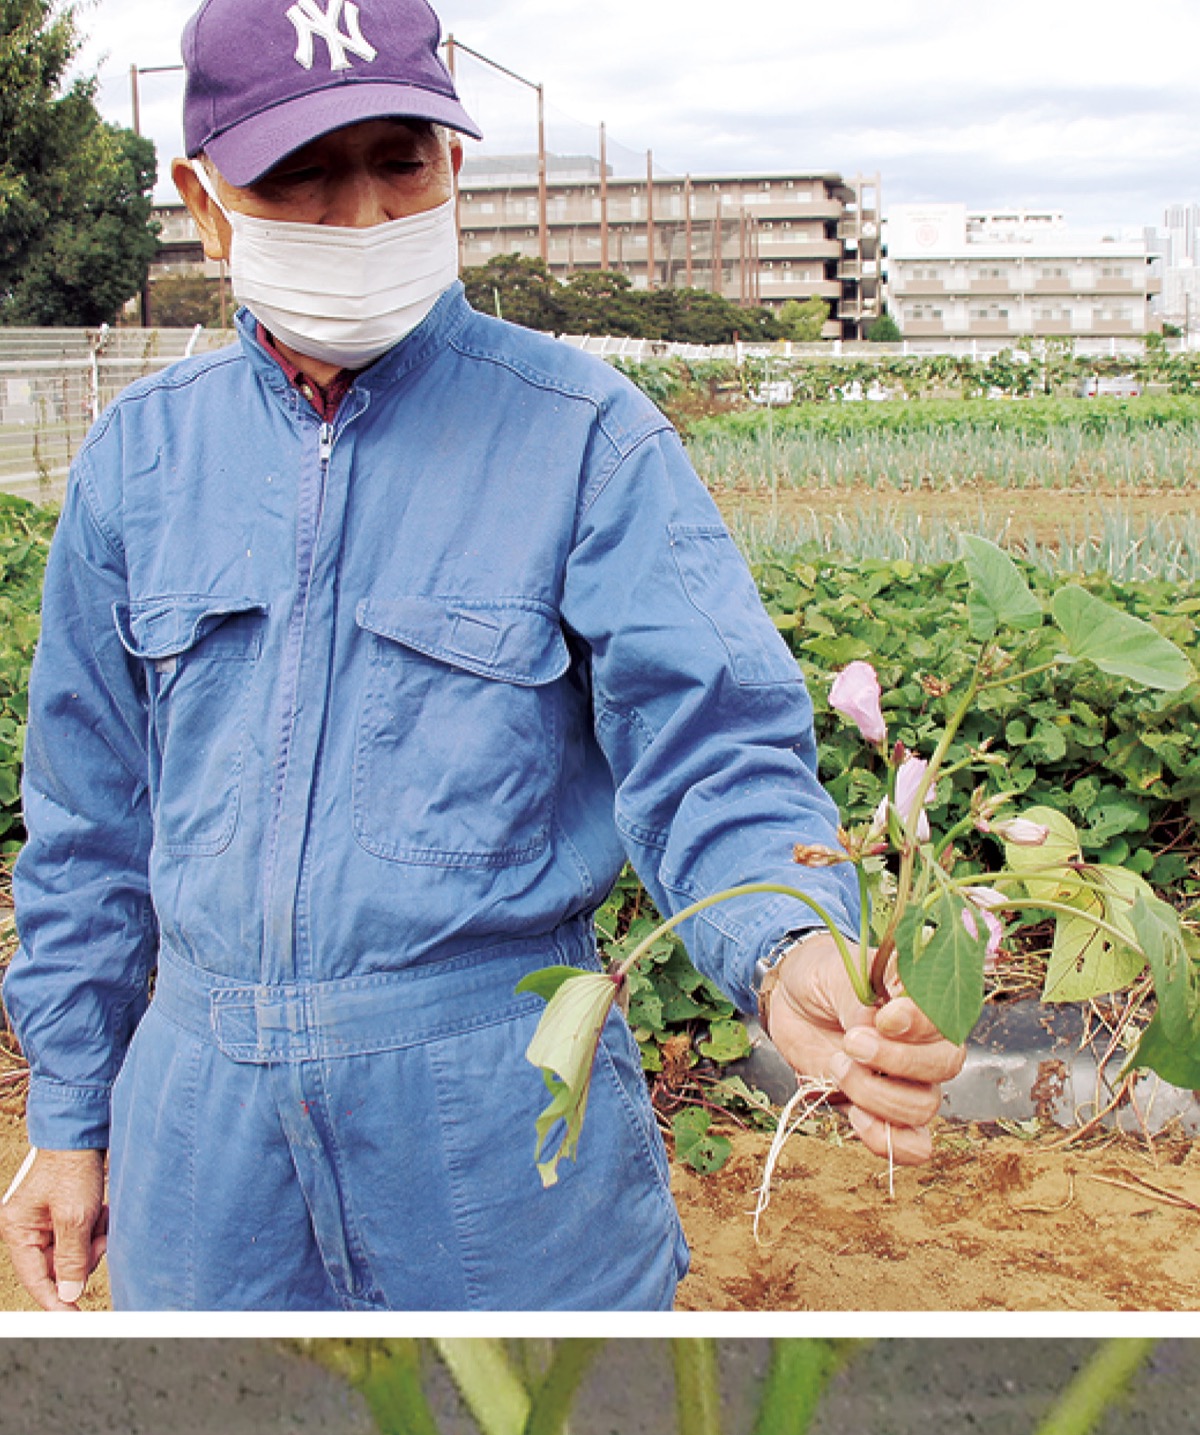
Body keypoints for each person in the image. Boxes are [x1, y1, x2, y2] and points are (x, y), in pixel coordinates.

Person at [0, 0, 964, 1312]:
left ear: (454, 164)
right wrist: (70, 1114)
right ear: (206, 202)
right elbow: (86, 827)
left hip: (503, 1138)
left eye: (399, 162)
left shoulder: (585, 438)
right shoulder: (140, 462)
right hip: (205, 1152)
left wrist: (790, 950)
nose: (361, 218)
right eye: (300, 174)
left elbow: (713, 751)